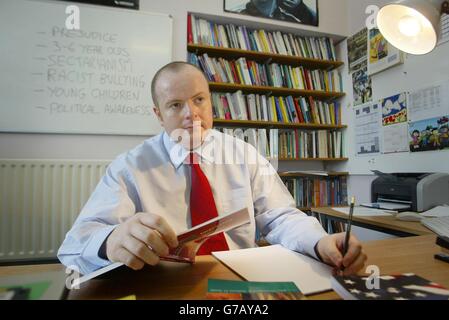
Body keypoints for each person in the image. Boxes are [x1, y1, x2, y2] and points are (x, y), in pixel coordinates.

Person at [58, 61, 367, 276]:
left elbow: (281, 217)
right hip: (165, 285)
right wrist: (110, 240)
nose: (192, 114)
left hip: (240, 279)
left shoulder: (243, 154)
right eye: (176, 105)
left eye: (199, 100)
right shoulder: (129, 166)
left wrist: (320, 242)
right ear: (158, 114)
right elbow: (74, 246)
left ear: (211, 102)